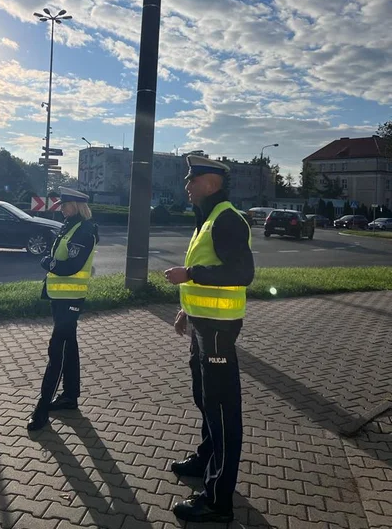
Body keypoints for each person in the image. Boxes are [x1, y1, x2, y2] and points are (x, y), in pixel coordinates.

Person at [164, 156, 254, 524]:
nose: (187, 186)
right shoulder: (209, 219)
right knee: (204, 398)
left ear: (212, 183)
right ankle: (205, 458)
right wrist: (188, 310)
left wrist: (190, 273)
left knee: (222, 410)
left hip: (218, 329)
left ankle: (218, 501)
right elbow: (215, 273)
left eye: (193, 179)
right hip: (204, 325)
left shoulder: (227, 219)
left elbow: (241, 272)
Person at [27, 187, 99, 432]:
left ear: (77, 206)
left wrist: (48, 262)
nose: (61, 208)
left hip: (71, 298)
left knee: (57, 349)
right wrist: (50, 261)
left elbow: (70, 265)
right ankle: (69, 396)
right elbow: (55, 257)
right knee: (69, 347)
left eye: (65, 205)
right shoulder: (68, 226)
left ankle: (42, 407)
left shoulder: (85, 230)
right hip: (59, 296)